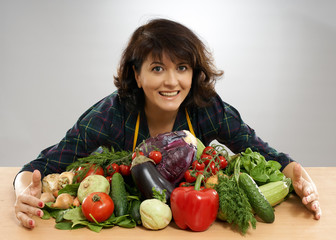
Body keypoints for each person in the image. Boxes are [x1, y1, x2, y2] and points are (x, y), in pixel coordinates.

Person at [14, 18, 321, 229]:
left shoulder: (206, 108)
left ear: (193, 73)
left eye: (182, 67)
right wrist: (23, 195)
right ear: (137, 74)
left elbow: (268, 154)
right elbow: (41, 164)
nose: (172, 81)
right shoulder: (112, 113)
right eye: (158, 68)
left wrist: (301, 180)